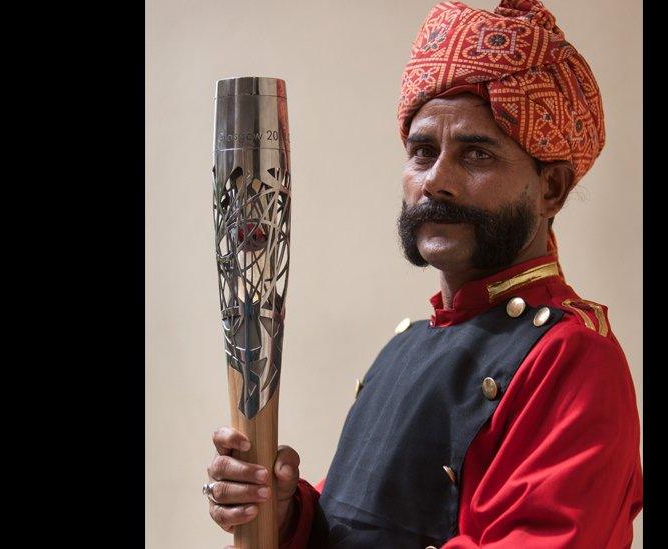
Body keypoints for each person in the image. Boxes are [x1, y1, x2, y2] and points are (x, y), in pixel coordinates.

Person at [205, 1, 642, 547]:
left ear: (550, 188)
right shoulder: (403, 348)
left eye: (477, 155)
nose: (438, 181)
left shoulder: (572, 358)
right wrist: (286, 511)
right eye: (423, 151)